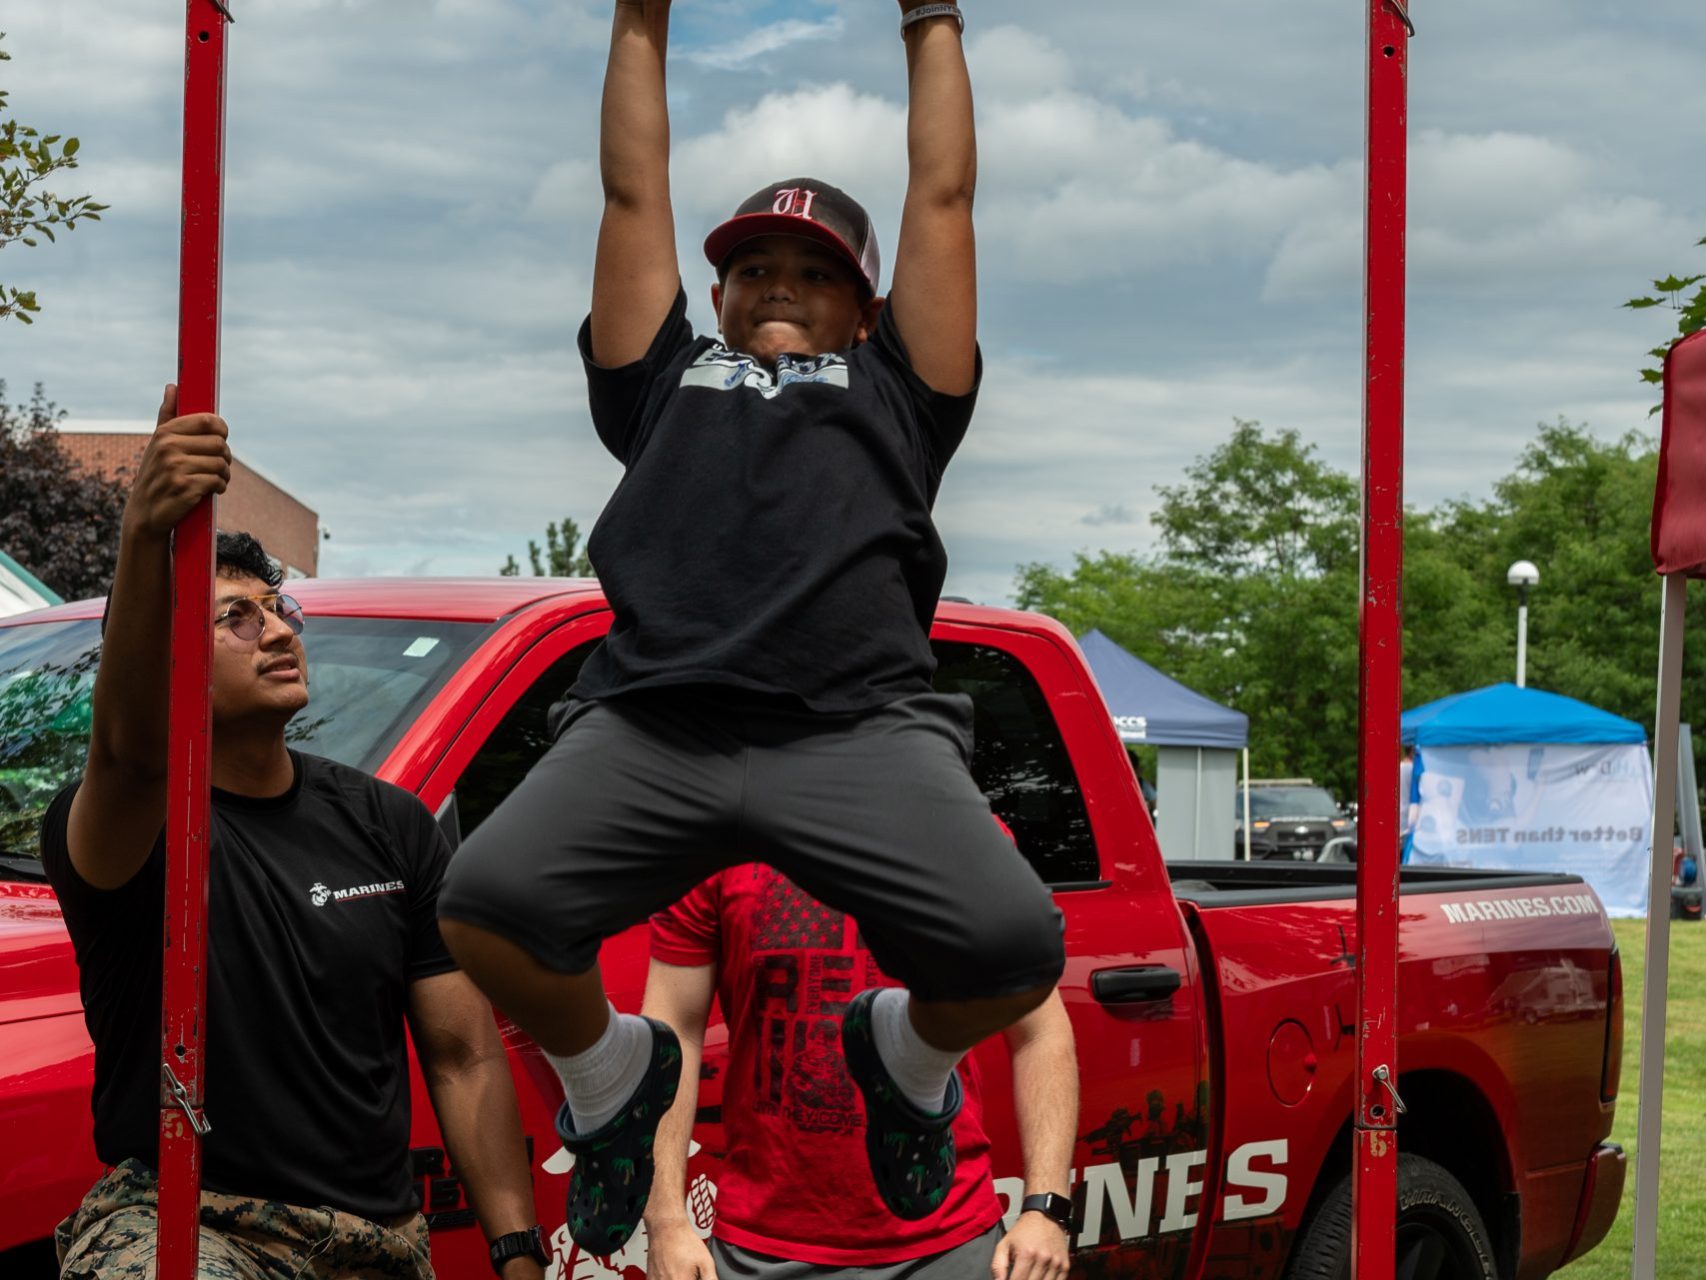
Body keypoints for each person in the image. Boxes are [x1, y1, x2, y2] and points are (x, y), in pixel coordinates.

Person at [437, 0, 1067, 1255]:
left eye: (816, 271)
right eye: (753, 270)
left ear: (865, 308)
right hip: (655, 720)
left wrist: (929, 18)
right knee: (484, 901)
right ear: (717, 294)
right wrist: (638, 18)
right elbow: (632, 194)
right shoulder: (663, 381)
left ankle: (900, 1047)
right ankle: (610, 1075)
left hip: (856, 726)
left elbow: (940, 196)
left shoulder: (900, 391)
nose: (778, 284)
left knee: (1010, 944)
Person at [42, 388, 547, 1280]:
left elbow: (463, 1055)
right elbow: (126, 758)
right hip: (195, 1222)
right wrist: (144, 536)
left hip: (377, 1240)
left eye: (279, 609)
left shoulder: (389, 824)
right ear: (164, 658)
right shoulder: (129, 830)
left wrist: (515, 1253)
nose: (277, 629)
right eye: (234, 617)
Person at [642, 864, 1077, 1280]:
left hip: (946, 1240)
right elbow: (673, 1034)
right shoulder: (717, 842)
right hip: (764, 1246)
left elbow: (1040, 1032)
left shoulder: (955, 830)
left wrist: (1047, 1209)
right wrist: (665, 1223)